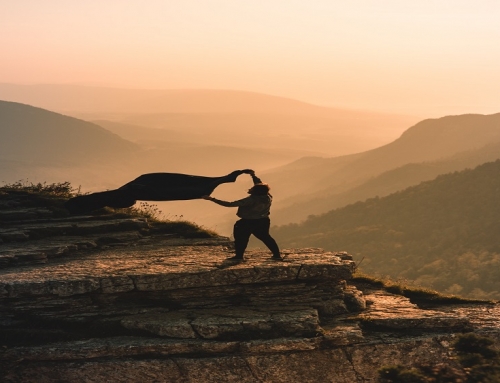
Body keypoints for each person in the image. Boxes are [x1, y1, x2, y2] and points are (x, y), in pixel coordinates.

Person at [202, 169, 283, 261]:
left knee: (241, 238)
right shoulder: (267, 196)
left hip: (247, 222)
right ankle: (277, 255)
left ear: (255, 191)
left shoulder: (250, 200)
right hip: (263, 221)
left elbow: (230, 204)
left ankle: (239, 256)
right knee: (266, 237)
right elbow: (259, 185)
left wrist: (211, 199)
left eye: (252, 189)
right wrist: (253, 175)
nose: (250, 188)